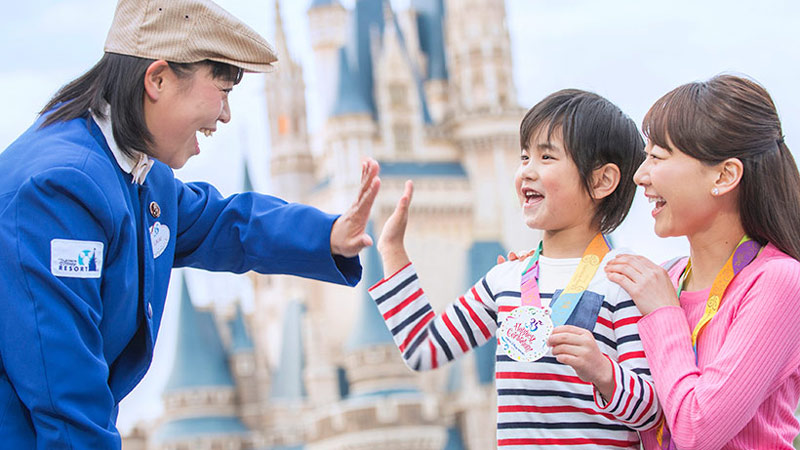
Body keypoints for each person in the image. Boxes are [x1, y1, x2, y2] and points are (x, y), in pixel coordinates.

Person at [0, 0, 381, 448]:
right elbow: (66, 403)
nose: (225, 114)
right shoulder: (60, 190)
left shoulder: (137, 174)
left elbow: (224, 223)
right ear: (157, 79)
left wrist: (328, 235)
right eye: (222, 90)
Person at [368, 89, 661, 448]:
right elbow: (423, 348)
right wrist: (392, 250)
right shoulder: (505, 280)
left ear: (602, 181)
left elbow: (651, 410)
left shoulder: (623, 279)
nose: (527, 171)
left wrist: (603, 371)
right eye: (524, 157)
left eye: (547, 157)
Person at [604, 74, 800, 449]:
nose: (640, 176)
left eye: (657, 157)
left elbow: (699, 429)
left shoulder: (777, 280)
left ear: (725, 175)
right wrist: (532, 274)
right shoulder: (670, 278)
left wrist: (663, 312)